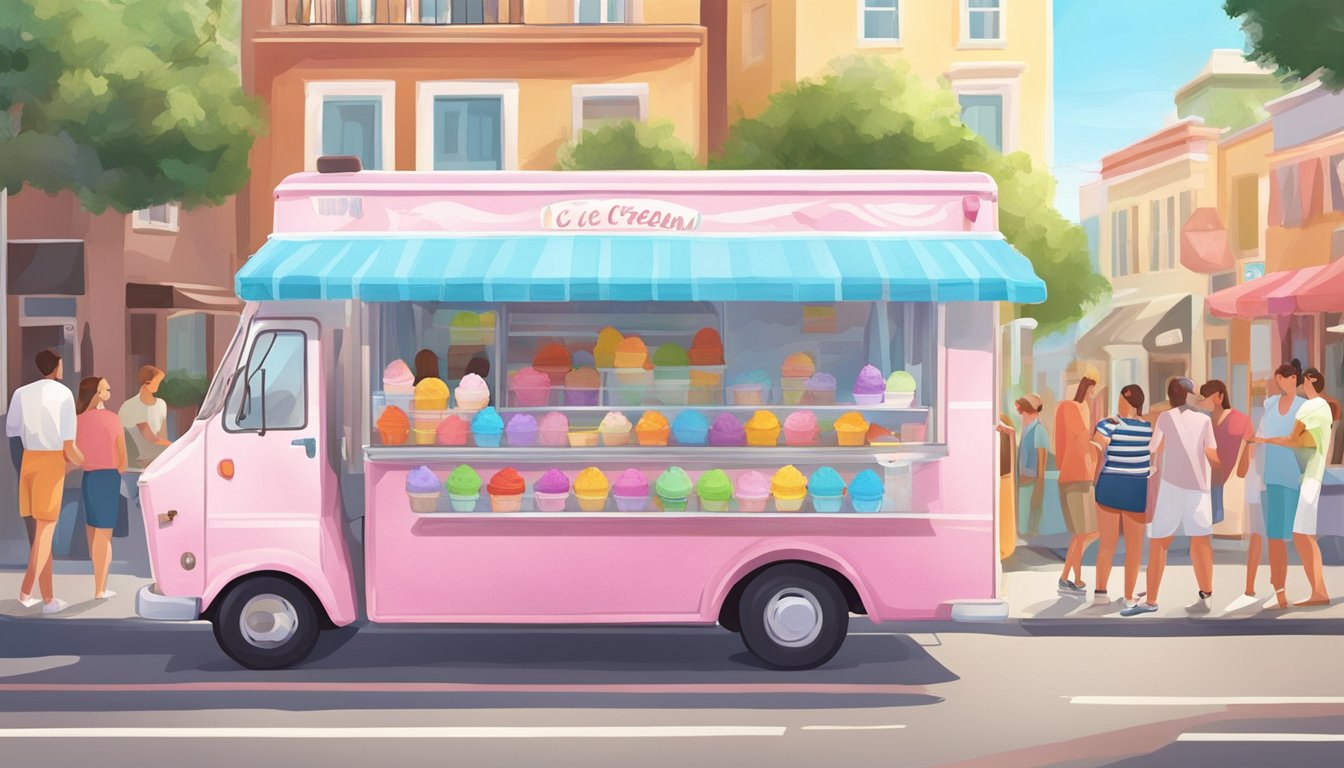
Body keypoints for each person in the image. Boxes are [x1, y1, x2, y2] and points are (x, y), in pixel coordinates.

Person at [1122, 377, 1220, 616]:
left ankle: (1152, 600)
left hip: (1172, 487)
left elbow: (1154, 447)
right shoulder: (1204, 419)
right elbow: (1211, 454)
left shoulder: (1165, 418)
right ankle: (1206, 590)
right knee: (1201, 542)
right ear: (1187, 395)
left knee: (1159, 544)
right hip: (1199, 488)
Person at [4, 349, 84, 614]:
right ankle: (26, 592)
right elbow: (69, 446)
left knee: (41, 535)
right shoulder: (63, 395)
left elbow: (12, 430)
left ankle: (48, 598)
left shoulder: (21, 393)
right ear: (57, 367)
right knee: (45, 531)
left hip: (29, 462)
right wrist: (86, 460)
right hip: (51, 463)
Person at [1257, 365, 1333, 607]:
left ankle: (1319, 592)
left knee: (1302, 534)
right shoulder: (1321, 407)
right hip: (1304, 476)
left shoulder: (1310, 406)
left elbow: (1293, 438)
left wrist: (1265, 440)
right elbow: (1304, 439)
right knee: (1300, 534)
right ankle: (1316, 591)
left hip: (1307, 477)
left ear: (1307, 380)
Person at [1193, 380, 1257, 614]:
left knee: (1230, 530)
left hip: (1232, 482)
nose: (1202, 401)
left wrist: (1241, 473)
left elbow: (1249, 447)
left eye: (1206, 396)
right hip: (1208, 481)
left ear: (1219, 396)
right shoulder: (1205, 422)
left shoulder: (1240, 419)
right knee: (1205, 533)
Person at [1090, 385, 1152, 609]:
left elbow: (1097, 446)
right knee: (1134, 548)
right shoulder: (1149, 427)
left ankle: (1100, 593)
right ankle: (1128, 596)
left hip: (1110, 485)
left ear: (1125, 400)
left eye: (1120, 399)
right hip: (1136, 488)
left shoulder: (1109, 423)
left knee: (1107, 544)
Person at [75, 377, 127, 600]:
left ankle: (97, 583)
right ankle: (100, 589)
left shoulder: (78, 420)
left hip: (88, 478)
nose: (109, 391)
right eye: (105, 388)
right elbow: (123, 459)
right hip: (108, 478)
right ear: (96, 393)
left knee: (92, 531)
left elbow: (75, 454)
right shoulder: (112, 419)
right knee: (104, 536)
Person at [1054, 367, 1100, 594]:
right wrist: (1099, 444)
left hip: (1071, 476)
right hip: (1078, 477)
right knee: (1088, 533)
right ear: (1089, 388)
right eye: (1093, 390)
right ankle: (1065, 578)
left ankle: (1077, 579)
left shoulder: (1065, 408)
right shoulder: (1075, 408)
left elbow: (1062, 446)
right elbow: (1083, 440)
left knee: (1081, 533)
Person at [118, 365, 169, 468]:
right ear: (147, 383)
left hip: (158, 461)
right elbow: (123, 438)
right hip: (137, 462)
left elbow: (162, 435)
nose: (159, 384)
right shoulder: (129, 406)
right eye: (157, 381)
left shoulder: (161, 404)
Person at [1014, 394, 1049, 539]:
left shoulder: (1039, 431)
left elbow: (1041, 464)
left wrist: (1038, 490)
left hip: (1032, 483)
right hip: (1023, 483)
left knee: (1028, 529)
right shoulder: (1026, 429)